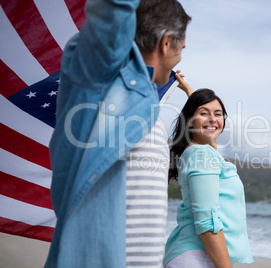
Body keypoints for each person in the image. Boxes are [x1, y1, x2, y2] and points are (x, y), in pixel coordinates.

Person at [45, 0, 191, 267]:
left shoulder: (148, 108)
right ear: (167, 42)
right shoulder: (101, 78)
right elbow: (112, 8)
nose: (183, 53)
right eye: (182, 45)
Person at [163, 89, 254, 267]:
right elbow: (207, 223)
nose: (212, 118)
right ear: (189, 122)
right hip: (198, 257)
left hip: (199, 255)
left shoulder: (199, 152)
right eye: (203, 113)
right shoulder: (202, 155)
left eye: (218, 114)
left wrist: (193, 95)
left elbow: (208, 132)